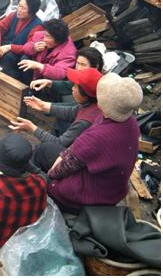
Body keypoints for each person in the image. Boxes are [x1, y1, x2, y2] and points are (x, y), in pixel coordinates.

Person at [36, 73, 142, 213]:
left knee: (43, 173)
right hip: (113, 189)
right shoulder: (130, 122)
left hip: (88, 197)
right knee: (45, 149)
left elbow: (60, 169)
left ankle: (37, 198)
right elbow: (75, 149)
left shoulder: (97, 137)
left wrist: (47, 178)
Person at [10, 68, 103, 148]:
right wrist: (43, 106)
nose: (72, 89)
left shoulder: (84, 122)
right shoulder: (92, 104)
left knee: (43, 149)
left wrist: (32, 128)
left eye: (75, 86)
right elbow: (72, 111)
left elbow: (59, 143)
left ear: (85, 96)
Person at [0, 0, 44, 81]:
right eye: (19, 6)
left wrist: (10, 47)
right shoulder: (13, 15)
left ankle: (10, 82)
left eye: (23, 8)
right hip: (6, 46)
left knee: (7, 57)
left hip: (19, 54)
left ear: (31, 12)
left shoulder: (37, 26)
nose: (19, 10)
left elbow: (30, 48)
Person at [30, 46, 104, 103]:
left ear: (96, 67)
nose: (78, 68)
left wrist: (45, 106)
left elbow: (75, 108)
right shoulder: (83, 78)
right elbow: (69, 85)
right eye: (77, 63)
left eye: (83, 64)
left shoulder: (96, 87)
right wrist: (49, 83)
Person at [17, 19, 77, 84]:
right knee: (24, 58)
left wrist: (39, 66)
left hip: (47, 81)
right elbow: (25, 48)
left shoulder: (69, 52)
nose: (44, 39)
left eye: (48, 37)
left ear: (58, 40)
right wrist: (34, 48)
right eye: (45, 34)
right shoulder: (40, 35)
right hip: (34, 73)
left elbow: (61, 73)